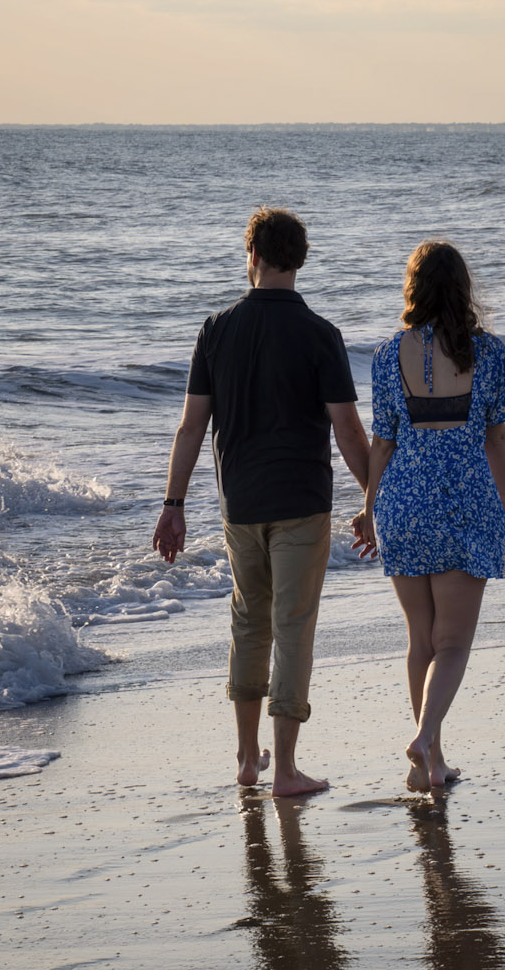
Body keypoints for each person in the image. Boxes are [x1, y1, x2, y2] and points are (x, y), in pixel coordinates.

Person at [154, 206, 370, 796]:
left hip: (239, 505)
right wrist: (375, 495)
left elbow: (190, 428)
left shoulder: (215, 329)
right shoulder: (321, 334)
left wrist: (173, 503)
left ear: (251, 256)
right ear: (298, 260)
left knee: (250, 625)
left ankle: (250, 759)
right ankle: (289, 770)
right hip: (302, 501)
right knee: (293, 627)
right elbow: (349, 430)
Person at [353, 240, 505, 792]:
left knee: (420, 641)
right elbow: (495, 437)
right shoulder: (489, 352)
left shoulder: (386, 355)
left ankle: (431, 763)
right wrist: (503, 505)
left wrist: (368, 507)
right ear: (462, 288)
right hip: (464, 500)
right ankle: (426, 740)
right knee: (452, 644)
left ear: (414, 288)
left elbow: (382, 443)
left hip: (404, 502)